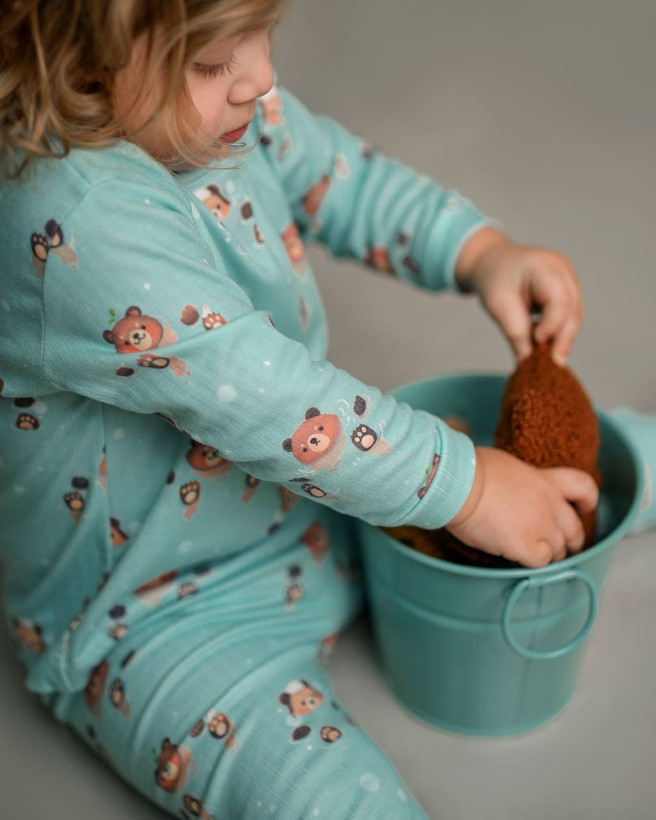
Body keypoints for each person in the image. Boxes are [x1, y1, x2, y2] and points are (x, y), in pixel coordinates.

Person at [3, 0, 634, 817]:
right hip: (160, 616)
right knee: (334, 802)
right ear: (71, 64)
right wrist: (470, 489)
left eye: (262, 33)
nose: (260, 77)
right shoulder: (73, 216)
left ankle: (627, 470)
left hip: (316, 500)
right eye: (211, 61)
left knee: (542, 464)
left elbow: (341, 176)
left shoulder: (220, 111)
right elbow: (267, 397)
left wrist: (480, 252)